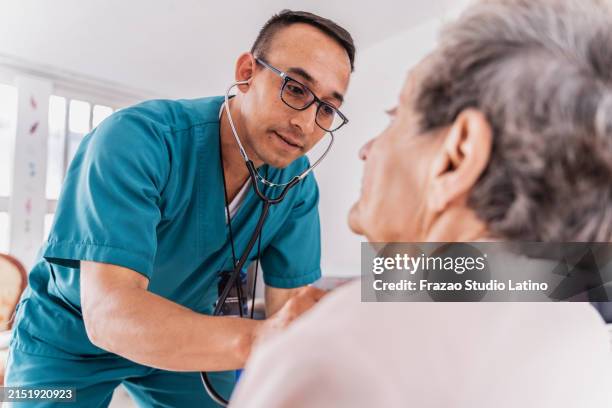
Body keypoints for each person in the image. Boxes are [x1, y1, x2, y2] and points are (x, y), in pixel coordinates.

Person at [229, 0, 612, 406]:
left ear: (457, 156)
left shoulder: (338, 355)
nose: (366, 149)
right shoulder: (586, 341)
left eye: (396, 118)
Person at [5, 10, 355, 407]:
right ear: (246, 73)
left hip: (188, 334)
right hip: (69, 338)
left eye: (327, 108)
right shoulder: (135, 139)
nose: (307, 124)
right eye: (295, 89)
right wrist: (257, 338)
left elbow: (290, 313)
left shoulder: (297, 186)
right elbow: (108, 316)